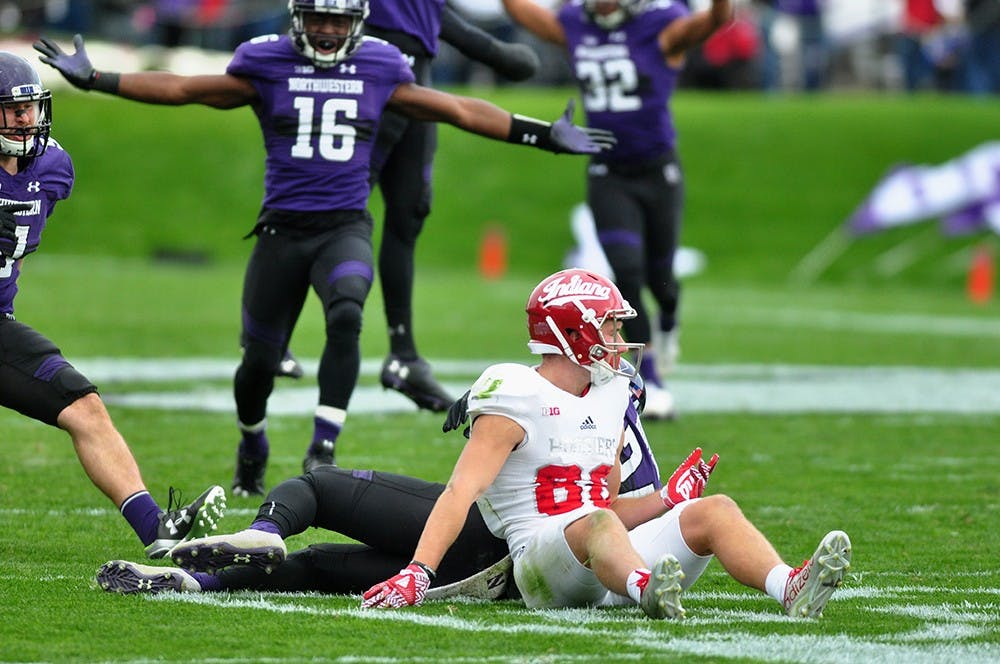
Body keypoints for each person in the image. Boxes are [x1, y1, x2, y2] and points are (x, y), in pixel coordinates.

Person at [33, 0, 613, 498]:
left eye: (338, 19)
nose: (329, 31)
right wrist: (99, 79)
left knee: (347, 308)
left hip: (344, 227)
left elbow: (457, 109)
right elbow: (187, 89)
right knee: (257, 362)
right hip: (281, 232)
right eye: (318, 18)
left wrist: (539, 134)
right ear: (297, 18)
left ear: (358, 22)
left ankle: (322, 446)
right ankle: (252, 437)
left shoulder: (382, 64)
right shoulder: (266, 60)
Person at [358, 268, 852, 619]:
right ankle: (646, 590)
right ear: (572, 332)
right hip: (541, 567)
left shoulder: (614, 391)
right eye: (611, 326)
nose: (620, 337)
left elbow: (608, 506)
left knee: (713, 509)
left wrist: (666, 502)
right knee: (597, 523)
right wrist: (418, 572)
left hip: (607, 559)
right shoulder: (515, 392)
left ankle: (788, 587)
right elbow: (459, 492)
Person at [93, 360, 661, 597]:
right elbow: (606, 502)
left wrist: (419, 571)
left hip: (479, 539)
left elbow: (465, 491)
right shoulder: (614, 398)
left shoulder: (538, 391)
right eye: (610, 322)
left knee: (318, 486)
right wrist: (665, 502)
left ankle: (267, 529)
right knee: (316, 567)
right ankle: (195, 585)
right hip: (515, 573)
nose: (617, 335)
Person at [0, 51, 226, 559]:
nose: (24, 118)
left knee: (85, 407)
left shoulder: (52, 168)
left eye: (29, 108)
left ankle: (157, 529)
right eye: (11, 110)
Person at [498, 0, 734, 420]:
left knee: (662, 281)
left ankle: (669, 321)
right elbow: (523, 13)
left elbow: (718, 20)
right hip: (608, 170)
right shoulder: (575, 23)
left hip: (658, 170)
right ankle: (654, 381)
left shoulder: (661, 25)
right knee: (627, 271)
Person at [359, 0, 540, 413]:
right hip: (362, 89)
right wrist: (503, 56)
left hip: (416, 90)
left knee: (409, 214)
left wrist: (499, 55)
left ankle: (403, 354)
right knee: (335, 213)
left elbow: (441, 22)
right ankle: (273, 337)